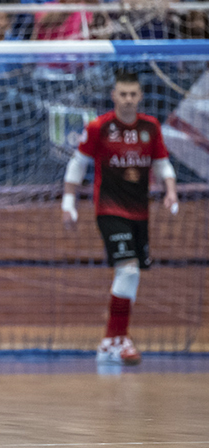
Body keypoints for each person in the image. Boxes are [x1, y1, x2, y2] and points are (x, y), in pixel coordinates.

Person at [61, 72, 178, 365]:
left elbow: (163, 164)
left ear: (140, 97)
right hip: (109, 209)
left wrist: (171, 192)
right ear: (114, 96)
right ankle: (114, 340)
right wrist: (68, 202)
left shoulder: (150, 127)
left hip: (140, 212)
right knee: (128, 270)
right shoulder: (99, 126)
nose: (128, 99)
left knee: (132, 273)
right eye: (122, 94)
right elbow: (78, 164)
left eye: (133, 94)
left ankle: (113, 340)